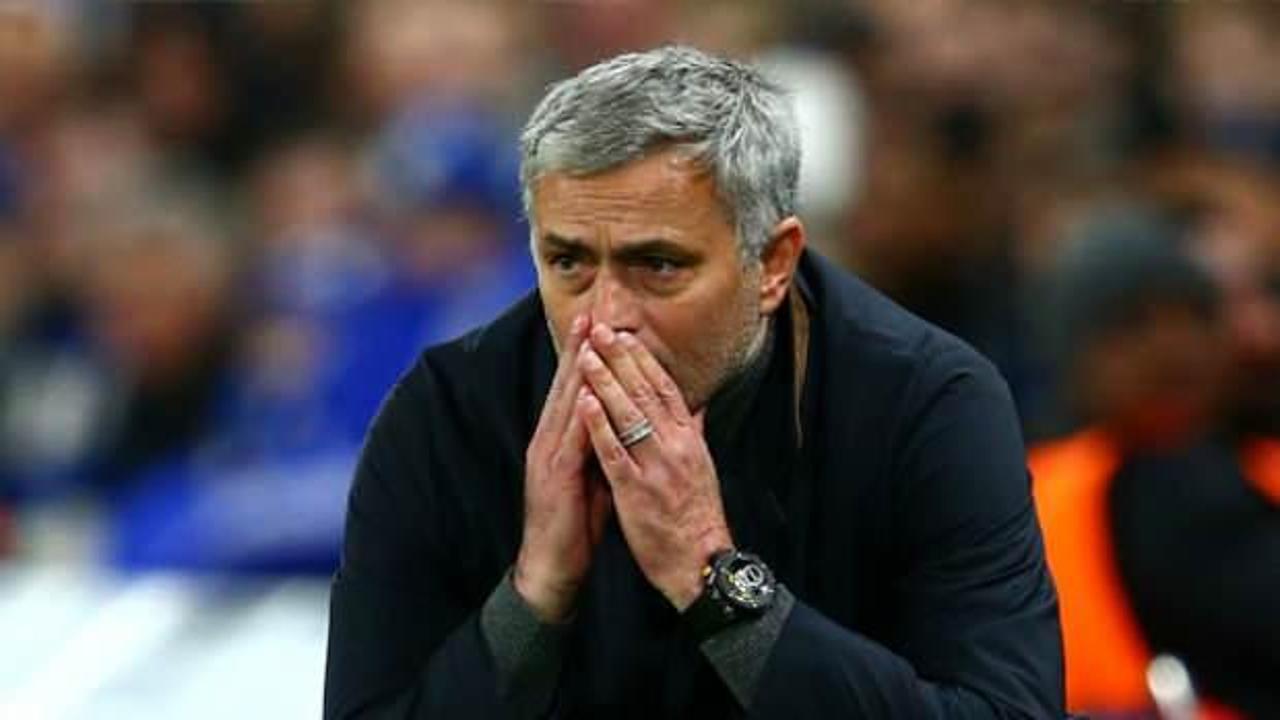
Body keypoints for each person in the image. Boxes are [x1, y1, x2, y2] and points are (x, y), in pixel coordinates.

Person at [324, 46, 1063, 718]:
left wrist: (716, 582)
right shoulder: (448, 412)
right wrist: (533, 598)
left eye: (659, 265)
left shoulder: (928, 404)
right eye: (568, 262)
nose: (605, 319)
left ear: (771, 264)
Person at [1029, 208, 1280, 718]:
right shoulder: (1017, 498)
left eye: (1195, 317)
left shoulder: (1256, 471)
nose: (1173, 347)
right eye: (1131, 324)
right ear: (1076, 356)